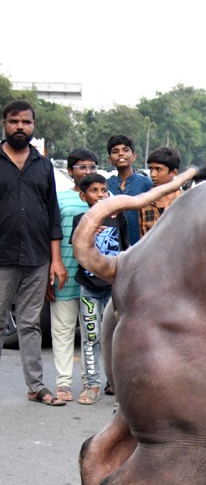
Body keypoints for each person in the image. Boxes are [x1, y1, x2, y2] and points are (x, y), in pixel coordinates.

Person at [0, 101, 68, 407]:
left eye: (26, 122)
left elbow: (52, 214)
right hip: (2, 258)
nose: (20, 127)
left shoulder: (43, 166)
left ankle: (36, 386)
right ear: (5, 124)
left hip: (38, 257)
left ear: (33, 126)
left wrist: (55, 260)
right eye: (14, 121)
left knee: (30, 324)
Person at [73, 173, 130, 405]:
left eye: (103, 191)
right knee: (91, 336)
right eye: (94, 191)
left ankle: (116, 386)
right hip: (89, 288)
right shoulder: (80, 220)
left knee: (115, 338)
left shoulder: (119, 219)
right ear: (83, 195)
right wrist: (88, 232)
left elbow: (126, 249)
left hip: (112, 288)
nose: (99, 195)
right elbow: (78, 251)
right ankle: (92, 385)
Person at [49, 148, 99, 401]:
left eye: (91, 167)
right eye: (81, 167)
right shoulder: (58, 198)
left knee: (91, 333)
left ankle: (90, 384)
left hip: (93, 280)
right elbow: (51, 235)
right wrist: (52, 264)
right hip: (64, 275)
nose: (87, 172)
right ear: (70, 171)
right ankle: (63, 384)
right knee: (62, 330)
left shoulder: (103, 197)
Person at [139, 146, 182, 237]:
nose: (153, 174)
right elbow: (142, 237)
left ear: (173, 172)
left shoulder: (184, 200)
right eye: (151, 169)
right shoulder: (145, 201)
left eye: (159, 169)